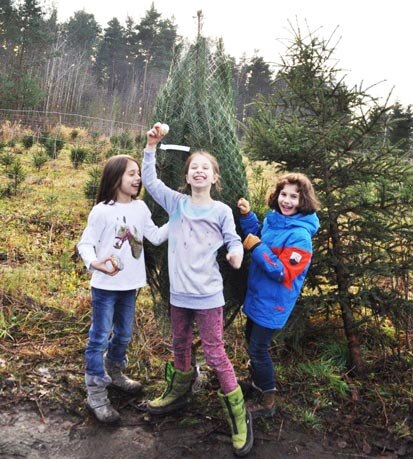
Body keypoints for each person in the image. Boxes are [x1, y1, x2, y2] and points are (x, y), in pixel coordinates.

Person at [142, 123, 253, 457]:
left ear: (215, 177)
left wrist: (236, 253)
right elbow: (150, 181)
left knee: (215, 352)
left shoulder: (220, 211)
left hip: (208, 296)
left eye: (206, 168)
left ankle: (239, 415)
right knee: (178, 344)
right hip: (180, 295)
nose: (199, 171)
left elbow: (233, 240)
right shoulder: (176, 204)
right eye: (194, 168)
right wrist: (150, 146)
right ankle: (179, 391)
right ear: (187, 177)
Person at [77, 154, 168, 424]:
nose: (137, 178)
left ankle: (114, 372)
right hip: (105, 286)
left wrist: (182, 218)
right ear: (115, 177)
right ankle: (95, 392)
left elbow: (155, 236)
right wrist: (96, 264)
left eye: (138, 173)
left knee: (124, 334)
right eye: (131, 173)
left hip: (130, 286)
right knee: (100, 336)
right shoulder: (102, 210)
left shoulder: (140, 209)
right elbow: (85, 243)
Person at [237, 172, 320, 419]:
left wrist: (257, 248)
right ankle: (255, 383)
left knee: (259, 349)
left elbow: (282, 272)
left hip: (273, 304)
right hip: (257, 297)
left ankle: (267, 400)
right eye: (284, 194)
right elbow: (258, 236)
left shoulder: (301, 236)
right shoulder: (275, 220)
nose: (287, 200)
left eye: (294, 196)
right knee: (250, 338)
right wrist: (247, 216)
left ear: (303, 200)